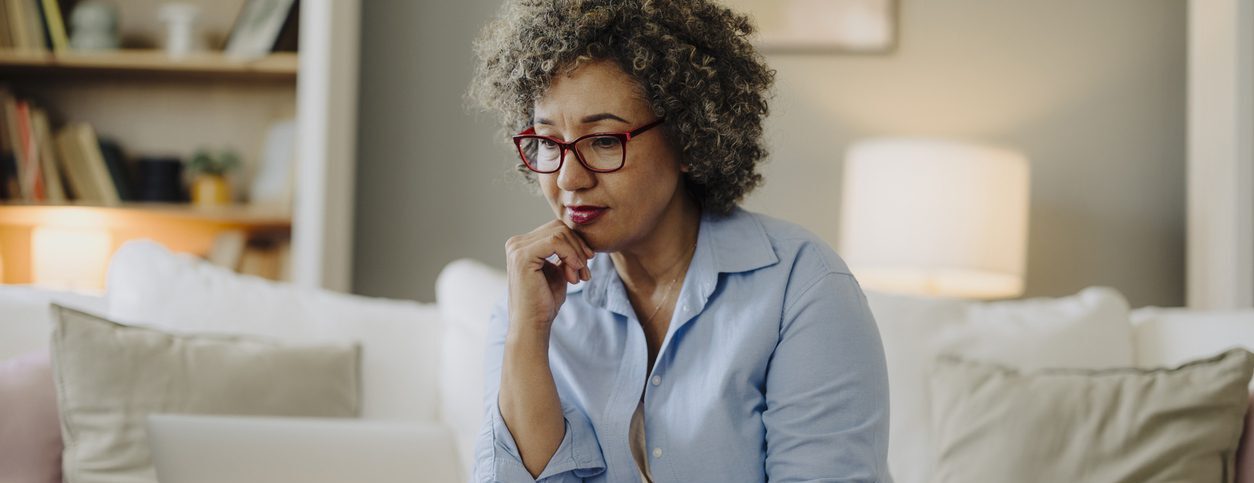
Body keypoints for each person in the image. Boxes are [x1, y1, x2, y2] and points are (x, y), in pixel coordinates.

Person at [467, 1, 891, 481]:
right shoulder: (529, 299)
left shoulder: (803, 288)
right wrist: (528, 334)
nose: (568, 178)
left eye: (604, 140)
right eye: (548, 142)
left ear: (689, 139)